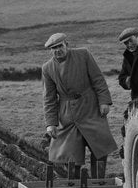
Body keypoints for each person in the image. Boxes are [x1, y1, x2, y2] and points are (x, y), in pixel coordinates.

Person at [41, 32, 117, 178]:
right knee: (70, 156)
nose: (57, 50)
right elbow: (49, 98)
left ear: (66, 45)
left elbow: (98, 79)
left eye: (60, 46)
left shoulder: (83, 54)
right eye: (54, 48)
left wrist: (104, 101)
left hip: (91, 109)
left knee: (99, 149)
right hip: (68, 116)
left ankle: (98, 185)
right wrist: (51, 123)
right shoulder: (47, 68)